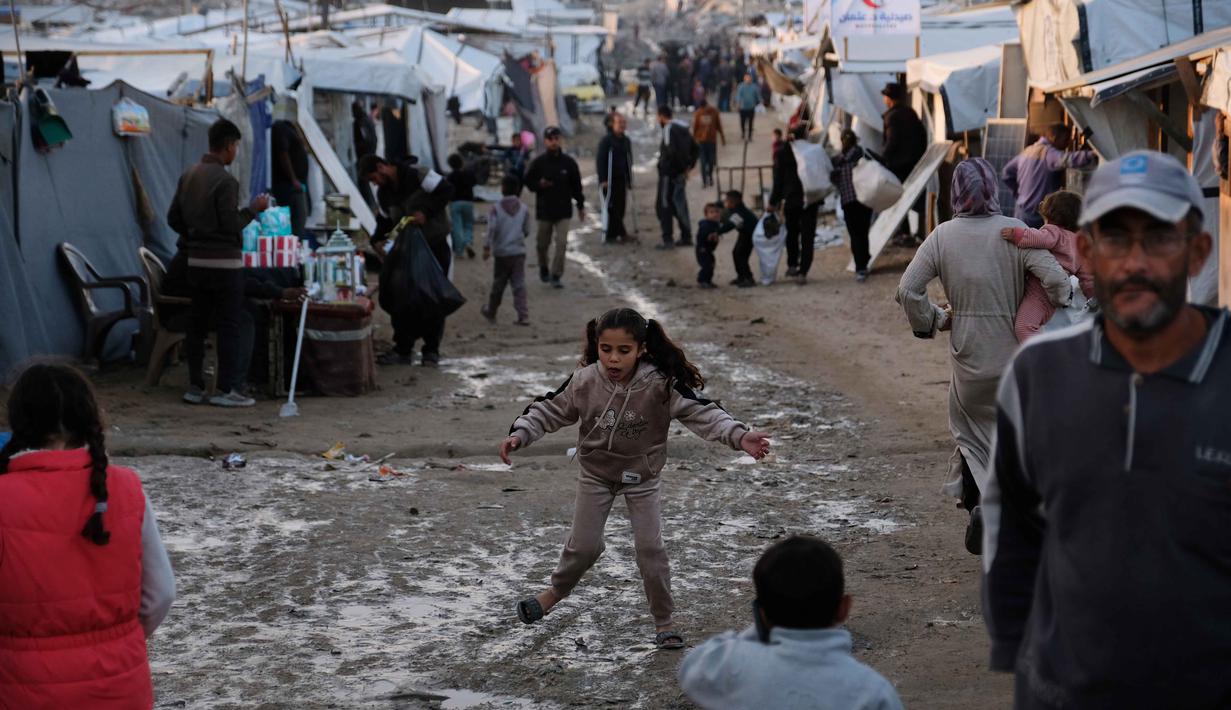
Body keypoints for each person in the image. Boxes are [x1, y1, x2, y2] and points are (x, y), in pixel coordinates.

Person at [983, 150, 1228, 709]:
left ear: (1198, 252)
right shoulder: (1040, 373)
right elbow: (1014, 525)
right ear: (1087, 252)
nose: (1135, 261)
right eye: (1115, 237)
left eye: (1159, 238)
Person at [500, 308, 772, 649]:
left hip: (642, 477)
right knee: (582, 548)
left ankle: (664, 621)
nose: (613, 359)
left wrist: (739, 435)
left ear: (641, 348)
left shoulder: (661, 383)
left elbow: (704, 411)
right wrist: (520, 434)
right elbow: (549, 408)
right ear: (596, 346)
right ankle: (554, 593)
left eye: (623, 351)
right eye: (605, 349)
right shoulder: (585, 380)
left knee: (650, 548)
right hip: (596, 475)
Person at [895, 158, 1071, 554]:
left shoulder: (942, 237)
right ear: (994, 188)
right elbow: (1058, 282)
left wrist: (933, 320)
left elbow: (908, 290)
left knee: (973, 439)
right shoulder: (1016, 232)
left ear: (956, 191)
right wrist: (1051, 310)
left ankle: (979, 506)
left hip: (969, 357)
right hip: (1015, 359)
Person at [0, 364, 175, 707]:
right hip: (121, 686)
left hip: (24, 689)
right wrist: (117, 640)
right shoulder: (125, 487)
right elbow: (161, 594)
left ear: (18, 421)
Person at [678, 536, 903, 710]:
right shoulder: (873, 692)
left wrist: (758, 629)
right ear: (844, 608)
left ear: (762, 614)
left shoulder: (731, 666)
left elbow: (691, 668)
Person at [167, 118, 269, 408]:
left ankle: (195, 387)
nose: (236, 151)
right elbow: (230, 225)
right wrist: (253, 209)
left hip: (196, 264)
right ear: (228, 146)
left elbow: (173, 218)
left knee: (197, 324)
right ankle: (227, 389)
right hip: (225, 266)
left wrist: (194, 237)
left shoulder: (188, 175)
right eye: (236, 146)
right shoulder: (226, 181)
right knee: (229, 324)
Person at [360, 156, 457, 366]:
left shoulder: (419, 175)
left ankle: (431, 350)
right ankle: (403, 349)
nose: (374, 183)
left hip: (435, 245)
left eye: (373, 177)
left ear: (381, 166)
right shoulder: (383, 194)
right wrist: (376, 240)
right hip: (405, 251)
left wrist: (426, 212)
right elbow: (385, 220)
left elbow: (447, 189)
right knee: (401, 298)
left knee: (433, 297)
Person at [999, 190, 1095, 342]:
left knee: (1024, 327)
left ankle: (1038, 356)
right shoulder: (1079, 244)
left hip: (1039, 291)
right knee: (1035, 325)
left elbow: (1040, 239)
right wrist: (1093, 298)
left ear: (1051, 215)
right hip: (1053, 298)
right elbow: (1088, 277)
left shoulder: (1054, 232)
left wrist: (1017, 235)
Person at [1002, 122, 1096, 228]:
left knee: (1020, 243)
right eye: (1065, 140)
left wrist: (1018, 194)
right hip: (1037, 216)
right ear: (1054, 137)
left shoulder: (1027, 151)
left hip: (1021, 213)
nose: (1066, 145)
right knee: (1036, 244)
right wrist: (1092, 154)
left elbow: (1006, 173)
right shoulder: (1049, 154)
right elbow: (1067, 159)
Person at [524, 126, 585, 289]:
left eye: (556, 138)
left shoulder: (569, 163)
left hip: (564, 211)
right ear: (545, 141)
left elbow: (577, 186)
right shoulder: (538, 162)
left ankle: (556, 274)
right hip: (544, 211)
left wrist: (580, 205)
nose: (554, 141)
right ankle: (543, 268)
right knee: (542, 244)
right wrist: (540, 185)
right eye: (550, 139)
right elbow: (528, 182)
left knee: (562, 243)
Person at [769, 127, 820, 285]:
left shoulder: (783, 153)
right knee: (807, 236)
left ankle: (792, 264)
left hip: (791, 200)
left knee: (792, 233)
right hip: (810, 199)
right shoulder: (813, 151)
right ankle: (803, 271)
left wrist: (773, 201)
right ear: (805, 136)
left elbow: (778, 180)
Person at [480, 176, 531, 326]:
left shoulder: (495, 208)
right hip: (518, 252)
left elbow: (491, 229)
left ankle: (491, 311)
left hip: (502, 253)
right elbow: (526, 230)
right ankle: (523, 315)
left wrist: (487, 247)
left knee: (498, 284)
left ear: (502, 188)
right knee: (519, 284)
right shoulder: (524, 208)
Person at [880, 83, 928, 241]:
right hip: (913, 163)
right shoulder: (910, 112)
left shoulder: (892, 117)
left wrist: (883, 158)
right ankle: (919, 230)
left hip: (897, 165)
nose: (883, 99)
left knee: (898, 198)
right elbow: (922, 135)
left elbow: (892, 142)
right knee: (914, 197)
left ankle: (904, 231)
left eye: (885, 96)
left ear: (890, 99)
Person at [830, 129, 875, 282]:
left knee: (855, 235)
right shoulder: (863, 155)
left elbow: (835, 181)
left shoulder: (838, 161)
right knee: (863, 233)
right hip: (865, 201)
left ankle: (860, 268)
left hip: (848, 202)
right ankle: (865, 260)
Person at [655, 106, 698, 249]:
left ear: (661, 116)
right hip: (679, 174)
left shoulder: (668, 129)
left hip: (669, 174)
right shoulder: (684, 129)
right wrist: (688, 167)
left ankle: (668, 239)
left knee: (665, 205)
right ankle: (686, 236)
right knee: (678, 204)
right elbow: (696, 148)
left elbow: (671, 152)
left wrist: (680, 167)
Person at [597, 112, 634, 245]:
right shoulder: (606, 141)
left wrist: (630, 179)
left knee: (621, 206)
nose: (622, 125)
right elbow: (600, 161)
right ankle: (619, 233)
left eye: (624, 122)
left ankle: (616, 233)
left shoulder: (626, 141)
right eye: (619, 123)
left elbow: (629, 161)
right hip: (609, 179)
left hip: (621, 178)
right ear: (612, 124)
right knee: (611, 207)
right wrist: (603, 179)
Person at [270, 119, 309, 237]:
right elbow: (283, 152)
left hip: (295, 185)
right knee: (296, 222)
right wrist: (293, 179)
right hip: (289, 187)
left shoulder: (291, 128)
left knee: (300, 221)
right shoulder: (281, 128)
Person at [724, 190, 758, 288]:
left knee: (741, 255)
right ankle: (741, 276)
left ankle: (748, 278)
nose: (726, 203)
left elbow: (730, 225)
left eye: (727, 201)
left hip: (749, 235)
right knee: (736, 253)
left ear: (733, 202)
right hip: (744, 233)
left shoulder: (740, 212)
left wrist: (718, 232)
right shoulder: (737, 210)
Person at [695, 201, 734, 288]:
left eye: (717, 212)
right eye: (711, 212)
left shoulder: (715, 224)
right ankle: (702, 281)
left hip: (709, 250)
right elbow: (700, 236)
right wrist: (703, 245)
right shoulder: (705, 225)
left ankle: (708, 281)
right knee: (707, 265)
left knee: (711, 264)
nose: (715, 214)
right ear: (706, 215)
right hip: (703, 250)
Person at [447, 153, 478, 259]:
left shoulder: (450, 176)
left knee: (457, 226)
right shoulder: (469, 173)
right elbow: (475, 182)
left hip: (455, 203)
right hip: (468, 202)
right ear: (462, 162)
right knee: (468, 225)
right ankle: (468, 242)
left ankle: (459, 251)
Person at [691, 97, 726, 189]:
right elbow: (695, 128)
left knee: (711, 161)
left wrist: (722, 138)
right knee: (703, 162)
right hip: (701, 142)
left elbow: (718, 125)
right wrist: (693, 140)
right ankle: (704, 181)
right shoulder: (698, 113)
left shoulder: (714, 112)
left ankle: (709, 176)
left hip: (711, 141)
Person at [735, 74, 760, 142]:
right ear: (744, 79)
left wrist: (758, 102)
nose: (748, 79)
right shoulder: (741, 86)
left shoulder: (754, 87)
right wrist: (738, 104)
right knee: (742, 122)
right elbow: (738, 96)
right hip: (743, 108)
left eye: (749, 78)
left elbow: (757, 96)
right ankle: (743, 133)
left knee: (750, 123)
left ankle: (749, 136)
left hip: (751, 108)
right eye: (746, 78)